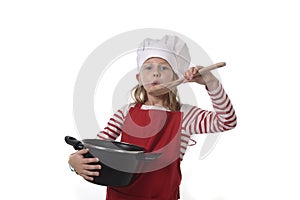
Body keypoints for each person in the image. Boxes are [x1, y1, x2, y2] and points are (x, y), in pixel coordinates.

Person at [68, 35, 237, 200]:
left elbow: (227, 121)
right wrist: (73, 162)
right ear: (139, 78)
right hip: (120, 196)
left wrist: (211, 83)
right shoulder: (125, 112)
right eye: (148, 68)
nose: (155, 73)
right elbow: (98, 149)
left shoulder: (186, 116)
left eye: (164, 68)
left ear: (176, 78)